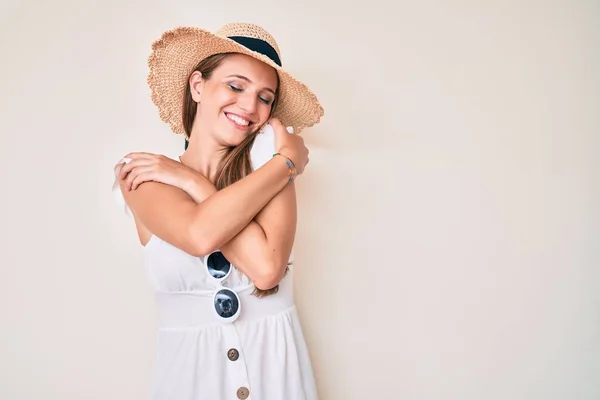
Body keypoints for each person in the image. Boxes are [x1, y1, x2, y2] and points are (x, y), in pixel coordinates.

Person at [112, 22, 324, 400]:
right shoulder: (144, 175)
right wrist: (288, 161)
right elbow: (198, 235)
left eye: (265, 97)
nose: (249, 106)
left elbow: (267, 269)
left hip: (276, 376)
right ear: (198, 86)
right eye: (236, 86)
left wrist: (194, 182)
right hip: (188, 381)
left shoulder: (267, 167)